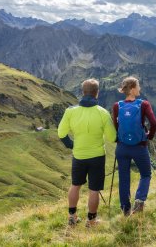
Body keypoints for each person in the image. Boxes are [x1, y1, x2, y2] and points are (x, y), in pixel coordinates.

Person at [58, 78, 116, 227]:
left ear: (82, 92)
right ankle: (91, 220)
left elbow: (61, 133)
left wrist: (72, 145)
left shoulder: (70, 112)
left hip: (78, 155)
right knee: (94, 190)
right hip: (97, 156)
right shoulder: (103, 113)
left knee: (75, 185)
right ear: (97, 93)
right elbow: (112, 137)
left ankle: (72, 217)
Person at [112, 76, 156, 216]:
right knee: (145, 174)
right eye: (138, 86)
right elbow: (154, 123)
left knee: (124, 178)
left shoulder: (117, 105)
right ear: (132, 89)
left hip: (122, 147)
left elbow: (116, 125)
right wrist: (148, 136)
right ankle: (139, 201)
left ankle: (125, 209)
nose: (140, 89)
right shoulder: (143, 104)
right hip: (139, 146)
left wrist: (120, 139)